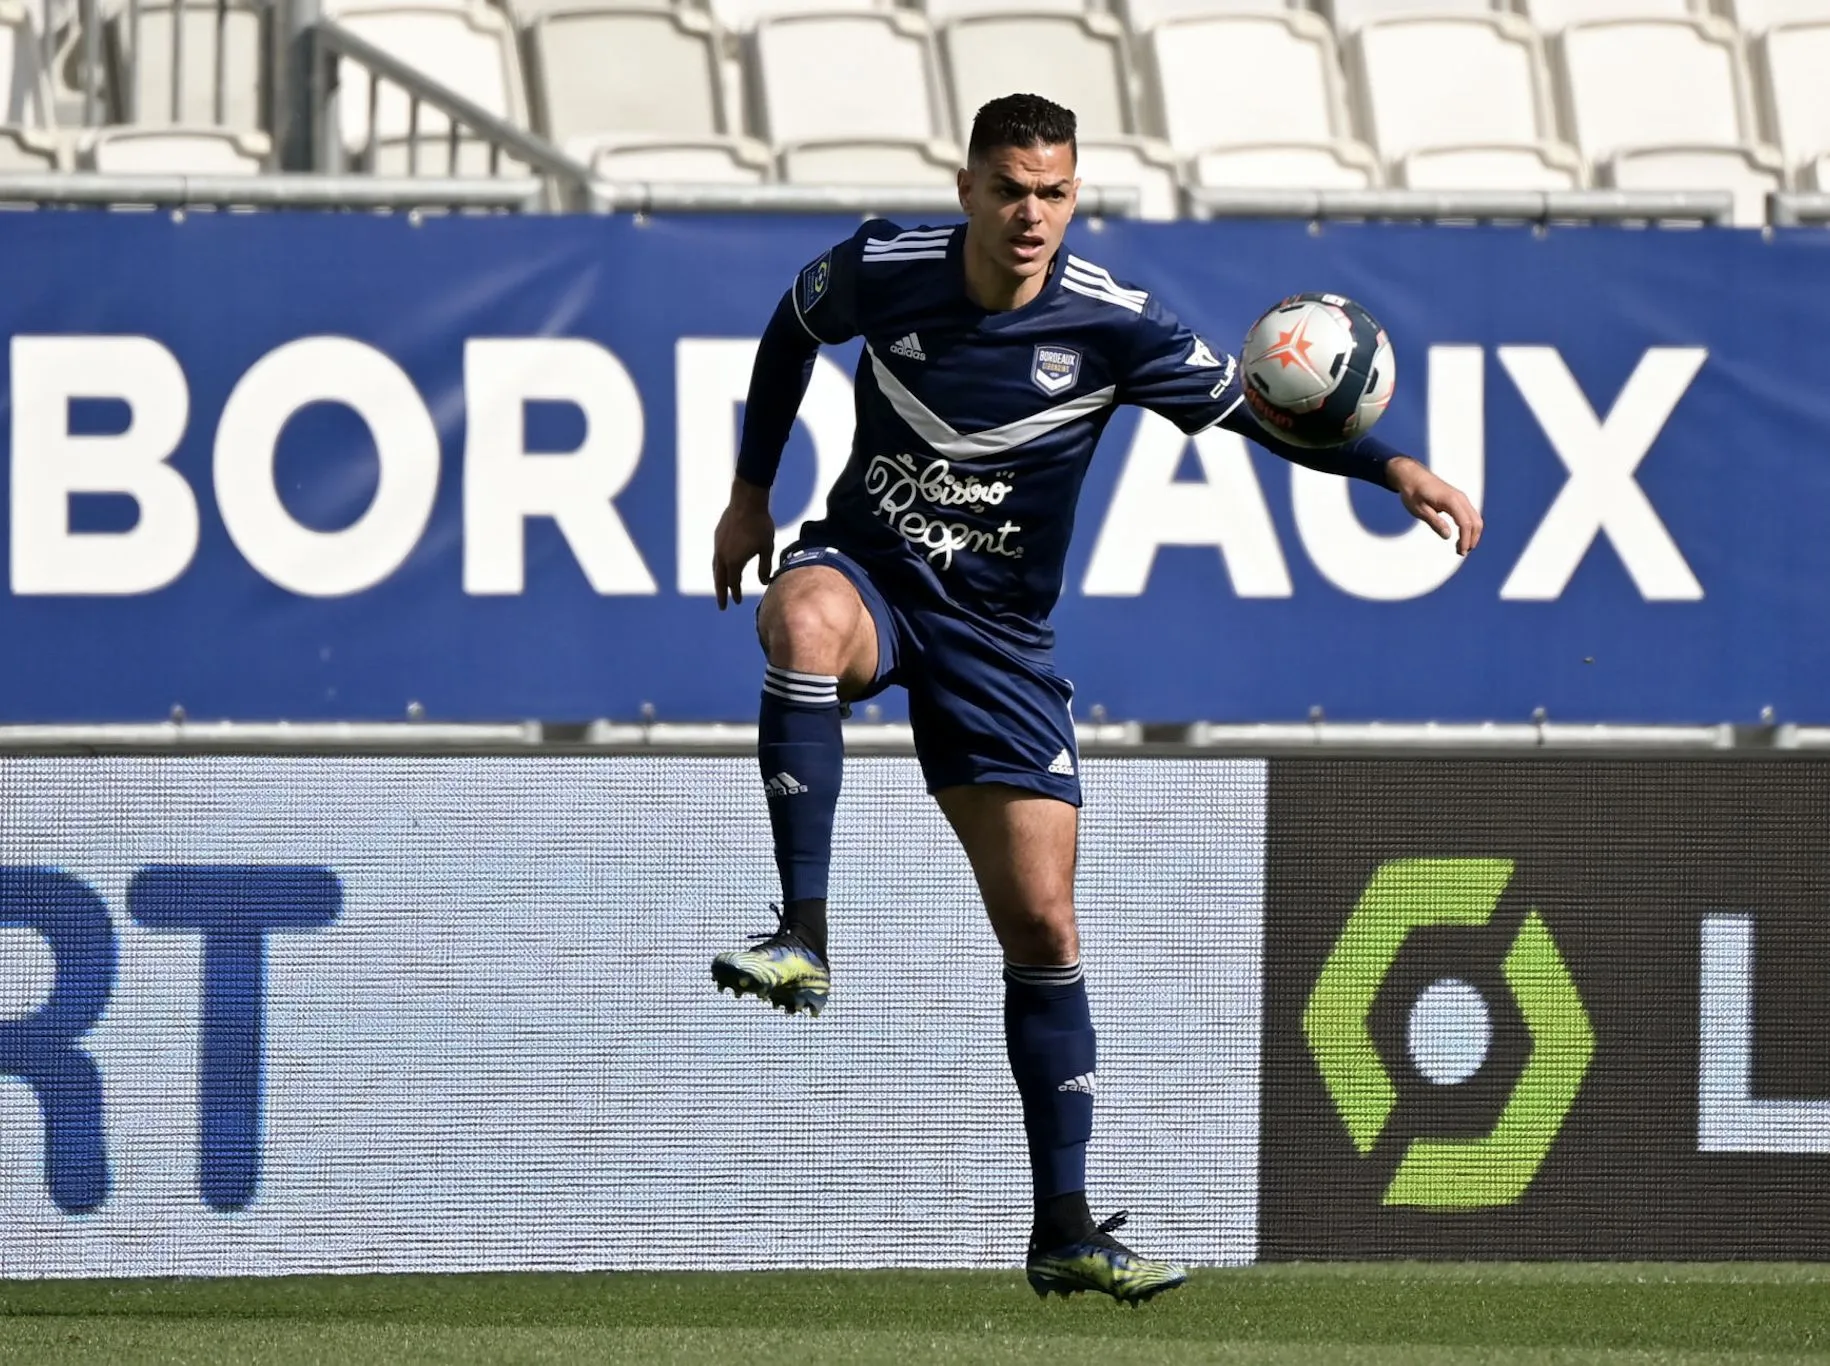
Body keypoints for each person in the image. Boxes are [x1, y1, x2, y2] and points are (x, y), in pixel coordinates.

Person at [708, 93, 1482, 1303]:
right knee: (800, 620)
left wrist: (1392, 463)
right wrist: (752, 495)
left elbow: (1252, 415)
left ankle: (1064, 1226)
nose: (1032, 214)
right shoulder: (881, 268)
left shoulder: (1115, 325)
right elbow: (787, 331)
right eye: (1011, 188)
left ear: (1076, 196)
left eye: (1054, 192)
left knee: (1047, 934)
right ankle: (801, 933)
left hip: (1000, 642)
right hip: (873, 574)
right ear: (966, 186)